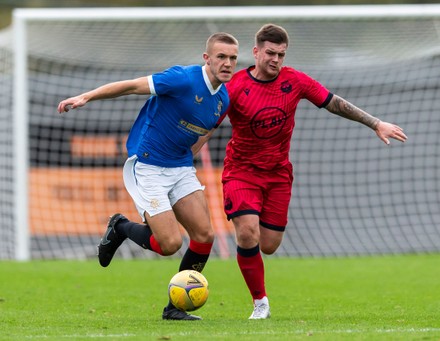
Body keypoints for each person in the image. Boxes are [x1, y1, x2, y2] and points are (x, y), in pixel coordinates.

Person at [221, 24, 407, 320]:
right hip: (241, 172)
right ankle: (260, 303)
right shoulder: (234, 86)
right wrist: (186, 152)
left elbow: (334, 102)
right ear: (255, 52)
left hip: (278, 175)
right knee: (247, 232)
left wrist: (375, 123)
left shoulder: (294, 81)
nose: (276, 60)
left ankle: (258, 284)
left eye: (281, 54)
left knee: (268, 245)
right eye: (270, 53)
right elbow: (207, 123)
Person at [57, 32, 239, 320]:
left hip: (179, 167)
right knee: (169, 245)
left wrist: (186, 158)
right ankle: (119, 227)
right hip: (148, 164)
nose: (227, 63)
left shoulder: (223, 99)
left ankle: (175, 308)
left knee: (204, 235)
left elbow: (207, 130)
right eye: (221, 57)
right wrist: (86, 96)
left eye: (232, 58)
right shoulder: (182, 79)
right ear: (207, 58)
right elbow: (131, 86)